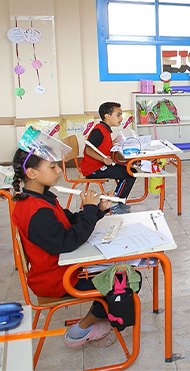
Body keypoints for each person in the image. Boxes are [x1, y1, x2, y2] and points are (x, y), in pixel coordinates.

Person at [11, 148, 116, 347]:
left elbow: (70, 221)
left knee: (119, 267)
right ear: (32, 173)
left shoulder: (41, 197)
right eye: (52, 167)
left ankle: (97, 316)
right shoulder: (35, 211)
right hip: (59, 280)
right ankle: (83, 328)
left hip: (63, 269)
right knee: (126, 280)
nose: (59, 170)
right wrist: (89, 209)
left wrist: (98, 210)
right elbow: (68, 242)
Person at [80, 102, 135, 214]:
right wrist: (103, 159)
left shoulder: (105, 129)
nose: (121, 118)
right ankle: (115, 204)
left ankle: (118, 201)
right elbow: (88, 150)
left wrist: (114, 142)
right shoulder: (98, 131)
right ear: (107, 116)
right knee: (129, 174)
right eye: (118, 115)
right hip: (93, 169)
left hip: (101, 165)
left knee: (131, 171)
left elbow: (102, 146)